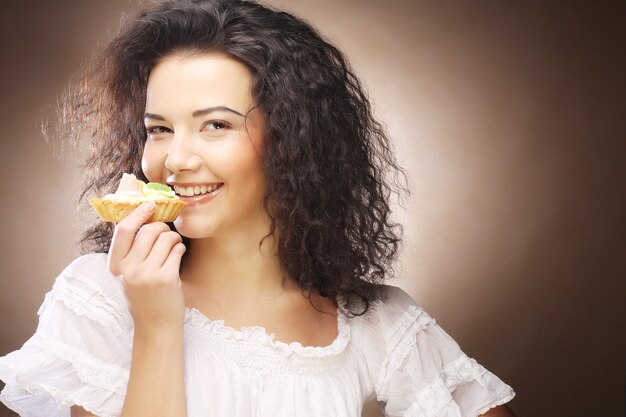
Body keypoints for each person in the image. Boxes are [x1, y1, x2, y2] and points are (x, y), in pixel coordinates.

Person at [0, 1, 516, 416]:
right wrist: (156, 326)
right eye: (159, 129)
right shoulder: (100, 296)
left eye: (216, 125)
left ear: (293, 139)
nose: (175, 159)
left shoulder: (371, 324)